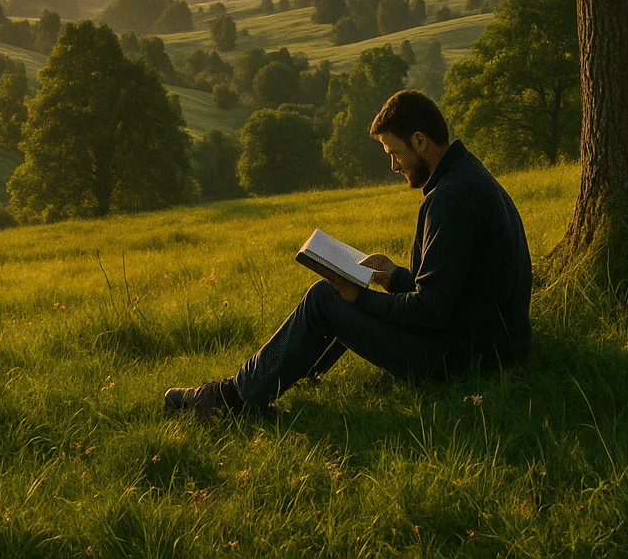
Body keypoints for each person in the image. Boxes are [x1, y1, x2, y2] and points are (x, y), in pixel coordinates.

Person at [164, 89, 533, 417]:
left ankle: (230, 399)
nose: (393, 166)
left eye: (394, 152)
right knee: (336, 297)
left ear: (420, 141)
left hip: (462, 358)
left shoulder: (449, 199)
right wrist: (394, 278)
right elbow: (457, 289)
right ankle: (289, 374)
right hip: (491, 345)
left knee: (325, 298)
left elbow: (432, 312)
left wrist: (359, 298)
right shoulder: (469, 175)